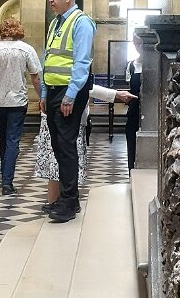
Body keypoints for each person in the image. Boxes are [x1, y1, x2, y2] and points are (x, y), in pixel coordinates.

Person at [40, 0, 96, 223]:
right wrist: (44, 92)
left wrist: (71, 95)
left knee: (65, 145)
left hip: (69, 91)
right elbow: (48, 58)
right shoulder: (55, 22)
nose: (50, 0)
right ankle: (69, 199)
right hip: (53, 90)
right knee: (58, 146)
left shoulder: (81, 22)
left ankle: (68, 200)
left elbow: (82, 62)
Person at [34, 82, 135, 213]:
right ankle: (61, 204)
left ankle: (64, 202)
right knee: (59, 166)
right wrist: (115, 94)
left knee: (60, 165)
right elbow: (82, 84)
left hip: (59, 111)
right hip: (66, 114)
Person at [0, 16, 41, 195]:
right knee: (13, 139)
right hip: (18, 99)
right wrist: (42, 97)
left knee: (4, 137)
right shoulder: (26, 49)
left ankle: (4, 175)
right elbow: (35, 77)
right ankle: (7, 182)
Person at [125, 32, 143, 170]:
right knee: (132, 142)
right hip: (134, 108)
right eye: (136, 43)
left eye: (141, 43)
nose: (139, 46)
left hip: (150, 109)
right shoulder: (132, 65)